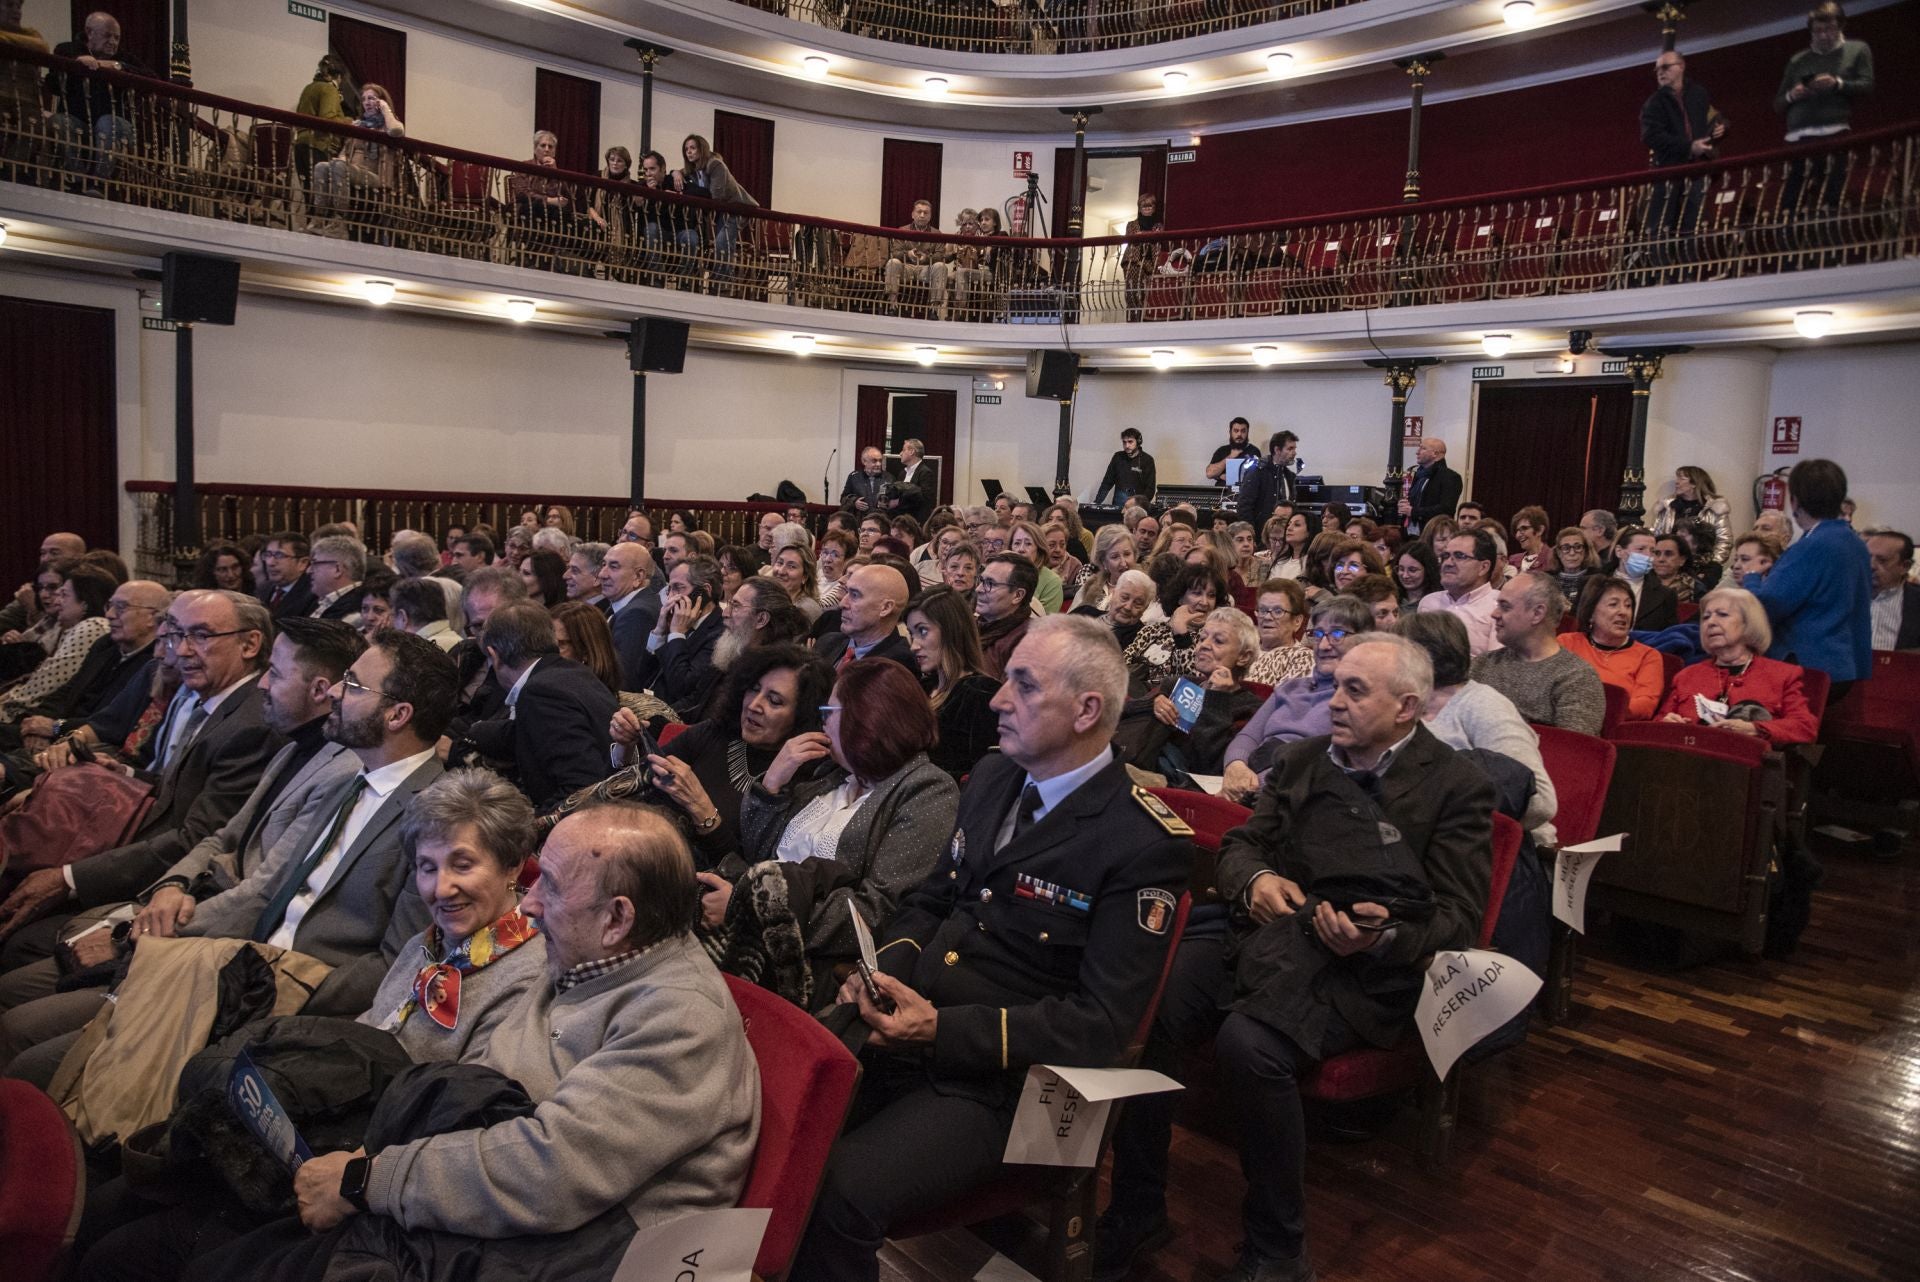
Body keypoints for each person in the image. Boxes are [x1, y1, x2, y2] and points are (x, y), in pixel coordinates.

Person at [791, 616, 1190, 1281]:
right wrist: (879, 973)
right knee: (773, 1133)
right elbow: (933, 900)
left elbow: (1100, 1026)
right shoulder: (998, 777)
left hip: (1008, 1080)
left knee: (840, 1193)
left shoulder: (1141, 842)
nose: (1000, 699)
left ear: (1087, 710)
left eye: (1024, 686)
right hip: (910, 1026)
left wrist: (939, 1029)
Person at [1099, 634, 1492, 1282]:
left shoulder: (1457, 786)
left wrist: (1383, 933)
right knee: (1156, 1001)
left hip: (1365, 967)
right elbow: (1241, 843)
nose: (1332, 702)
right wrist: (1254, 881)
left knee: (1249, 1044)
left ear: (1407, 708)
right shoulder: (1311, 758)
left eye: (1353, 691)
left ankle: (1279, 1249)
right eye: (1335, 685)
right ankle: (1138, 1205)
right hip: (1271, 933)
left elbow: (1459, 918)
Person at [285, 805, 759, 1249]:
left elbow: (550, 1172)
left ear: (616, 918)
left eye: (549, 885)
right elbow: (484, 1080)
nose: (529, 905)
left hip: (590, 1247)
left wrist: (370, 1180)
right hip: (506, 1204)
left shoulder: (679, 1017)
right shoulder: (587, 954)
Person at [0, 590, 282, 966]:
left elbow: (195, 839)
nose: (179, 651)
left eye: (199, 636)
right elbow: (176, 788)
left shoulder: (250, 725)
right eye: (175, 635)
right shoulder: (211, 700)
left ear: (249, 644)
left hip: (171, 880)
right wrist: (128, 773)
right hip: (138, 844)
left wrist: (67, 878)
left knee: (22, 934)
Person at [722, 657, 956, 998]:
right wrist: (772, 783)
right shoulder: (830, 778)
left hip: (817, 971)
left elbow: (879, 913)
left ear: (867, 721)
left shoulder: (926, 789)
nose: (823, 722)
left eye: (831, 712)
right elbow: (759, 856)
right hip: (761, 945)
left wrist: (756, 911)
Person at [1398, 611, 1560, 840]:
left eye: (1397, 654)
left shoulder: (1484, 705)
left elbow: (1540, 802)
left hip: (1496, 851)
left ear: (1425, 658)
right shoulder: (1404, 706)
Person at [461, 603, 616, 813]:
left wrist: (528, 829)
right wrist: (477, 732)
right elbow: (536, 734)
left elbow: (581, 789)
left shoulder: (539, 692)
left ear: (494, 655)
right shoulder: (574, 672)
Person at [1221, 593, 1373, 803]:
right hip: (1250, 780)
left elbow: (1325, 764)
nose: (1324, 644)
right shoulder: (1291, 687)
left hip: (1295, 798)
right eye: (1318, 634)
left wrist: (1255, 785)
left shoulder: (1361, 699)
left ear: (1363, 640)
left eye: (1337, 633)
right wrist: (1235, 766)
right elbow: (1248, 737)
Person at [1744, 458, 1873, 693]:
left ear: (1795, 501)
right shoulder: (1855, 543)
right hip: (1843, 662)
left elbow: (1766, 605)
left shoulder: (1812, 546)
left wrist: (1752, 577)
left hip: (1808, 662)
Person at [1658, 587, 1819, 745]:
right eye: (1706, 617)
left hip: (1744, 765)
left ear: (1748, 623)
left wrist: (1755, 729)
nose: (1711, 622)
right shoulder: (1687, 675)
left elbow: (1804, 727)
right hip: (1686, 761)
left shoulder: (1782, 675)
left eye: (1722, 615)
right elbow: (1658, 723)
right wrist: (1668, 723)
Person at [1117, 607, 1264, 778]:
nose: (1204, 646)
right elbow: (1120, 713)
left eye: (1218, 641)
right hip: (1134, 762)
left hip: (1175, 785)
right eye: (1202, 638)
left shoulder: (1250, 708)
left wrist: (1216, 699)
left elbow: (1207, 767)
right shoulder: (1179, 683)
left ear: (1243, 657)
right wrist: (1151, 704)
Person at [1472, 571, 1607, 734]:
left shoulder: (1576, 677)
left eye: (1505, 606)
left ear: (1537, 613)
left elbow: (1571, 752)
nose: (1495, 614)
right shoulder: (1482, 664)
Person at [1774, 2, 1876, 215]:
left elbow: (1867, 86)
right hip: (1797, 138)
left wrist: (1837, 84)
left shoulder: (1857, 50)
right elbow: (1778, 104)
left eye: (1828, 29)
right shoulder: (1798, 60)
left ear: (1840, 27)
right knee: (1791, 202)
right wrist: (1793, 94)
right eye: (1817, 31)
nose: (1823, 36)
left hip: (1834, 133)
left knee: (1831, 196)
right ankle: (1792, 243)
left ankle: (1830, 247)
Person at [48, 10, 154, 188]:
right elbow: (54, 83)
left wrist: (117, 66)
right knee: (59, 121)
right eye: (107, 36)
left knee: (106, 123)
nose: (113, 42)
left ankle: (98, 183)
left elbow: (152, 79)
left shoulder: (124, 58)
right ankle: (77, 181)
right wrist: (79, 63)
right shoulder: (68, 49)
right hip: (77, 121)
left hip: (115, 124)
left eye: (116, 38)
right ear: (89, 33)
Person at [905, 587, 999, 780]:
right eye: (912, 633)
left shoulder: (982, 692)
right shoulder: (920, 686)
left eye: (923, 631)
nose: (914, 645)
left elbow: (983, 775)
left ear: (951, 630)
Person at [0, 564, 113, 723]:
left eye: (64, 595)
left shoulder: (91, 627)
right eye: (40, 588)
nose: (56, 601)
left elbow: (44, 685)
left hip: (47, 718)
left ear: (85, 603)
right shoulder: (69, 626)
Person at [1640, 49, 1727, 255]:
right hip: (1669, 170)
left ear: (1681, 66)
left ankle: (1689, 270)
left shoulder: (1698, 93)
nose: (1660, 72)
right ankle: (1663, 272)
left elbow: (1712, 117)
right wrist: (1688, 147)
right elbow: (1650, 136)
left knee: (1693, 221)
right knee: (1663, 222)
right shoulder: (1654, 103)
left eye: (1665, 67)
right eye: (1657, 69)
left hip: (1697, 169)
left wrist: (1721, 126)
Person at [1561, 577, 1666, 720]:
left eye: (1628, 606)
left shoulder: (1648, 656)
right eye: (1613, 604)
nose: (1623, 612)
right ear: (1591, 614)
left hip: (1616, 729)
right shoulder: (1567, 642)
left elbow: (1645, 705)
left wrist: (1594, 710)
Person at [308, 83, 404, 237]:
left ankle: (340, 223)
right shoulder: (360, 125)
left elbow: (397, 130)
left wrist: (385, 108)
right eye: (364, 99)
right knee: (321, 166)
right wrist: (338, 161)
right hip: (351, 170)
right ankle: (318, 219)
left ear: (381, 101)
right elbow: (345, 152)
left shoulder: (388, 124)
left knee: (338, 166)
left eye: (372, 98)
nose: (367, 102)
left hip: (375, 176)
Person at [1417, 528, 1503, 658]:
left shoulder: (1499, 606)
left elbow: (1495, 667)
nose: (1448, 563)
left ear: (1483, 567)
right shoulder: (1428, 603)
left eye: (1459, 556)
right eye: (1445, 556)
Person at [816, 564, 914, 672]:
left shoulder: (895, 666)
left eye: (855, 595)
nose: (843, 603)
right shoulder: (828, 642)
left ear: (885, 608)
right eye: (847, 592)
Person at [598, 540, 661, 692]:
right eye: (603, 564)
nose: (602, 574)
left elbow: (624, 679)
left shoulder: (638, 614)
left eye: (614, 566)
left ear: (638, 576)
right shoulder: (625, 604)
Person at [884, 198, 952, 318]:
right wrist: (908, 254)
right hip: (906, 268)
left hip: (926, 269)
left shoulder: (937, 234)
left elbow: (940, 255)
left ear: (930, 216)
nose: (922, 215)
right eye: (919, 212)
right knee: (892, 262)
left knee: (941, 266)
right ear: (912, 214)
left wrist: (926, 258)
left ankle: (933, 309)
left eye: (926, 213)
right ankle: (892, 305)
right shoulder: (902, 230)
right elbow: (895, 253)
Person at [1651, 467, 1732, 564]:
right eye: (1677, 478)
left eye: (1682, 479)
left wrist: (1712, 565)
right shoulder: (1668, 506)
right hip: (1670, 564)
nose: (1677, 482)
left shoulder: (1714, 508)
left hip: (1702, 566)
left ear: (1694, 483)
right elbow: (1655, 536)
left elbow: (1724, 541)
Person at [974, 554, 1037, 680]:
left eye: (990, 583)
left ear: (1017, 595)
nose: (978, 589)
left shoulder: (1027, 641)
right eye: (981, 580)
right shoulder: (971, 626)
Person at [291, 53, 351, 181]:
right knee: (319, 193)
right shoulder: (329, 89)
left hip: (300, 144)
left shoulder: (309, 88)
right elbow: (328, 119)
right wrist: (350, 122)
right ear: (339, 76)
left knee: (308, 192)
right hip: (318, 145)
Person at [1247, 579, 1313, 686]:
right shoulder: (1242, 650)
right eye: (1263, 610)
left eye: (1278, 611)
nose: (1267, 617)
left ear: (1297, 621)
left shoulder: (1302, 658)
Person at [1611, 526, 1679, 630]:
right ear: (1619, 551)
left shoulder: (1665, 595)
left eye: (1652, 551)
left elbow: (1668, 635)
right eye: (1640, 549)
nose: (1648, 556)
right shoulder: (1593, 584)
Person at [1865, 529, 1920, 651]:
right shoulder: (1842, 595)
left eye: (1882, 560)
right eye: (1867, 557)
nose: (1871, 565)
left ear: (1905, 566)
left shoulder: (1916, 602)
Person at [1237, 431, 1301, 534]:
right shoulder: (1257, 471)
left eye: (1294, 449)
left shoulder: (1290, 476)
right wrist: (1251, 535)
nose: (1294, 453)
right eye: (1290, 449)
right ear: (1277, 450)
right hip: (1261, 534)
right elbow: (1244, 506)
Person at [1398, 437, 1461, 536]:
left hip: (1434, 533)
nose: (1417, 452)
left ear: (1435, 454)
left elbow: (1446, 509)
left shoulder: (1451, 477)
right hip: (1410, 533)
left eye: (1423, 448)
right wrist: (1405, 506)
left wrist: (1414, 511)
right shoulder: (1419, 474)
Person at [1095, 428, 1157, 506]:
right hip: (1118, 506)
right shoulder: (1118, 457)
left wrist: (1140, 506)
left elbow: (1150, 488)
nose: (1127, 446)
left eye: (1130, 442)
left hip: (1137, 506)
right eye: (1124, 442)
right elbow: (1107, 483)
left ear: (1138, 442)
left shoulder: (1147, 460)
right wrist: (1096, 502)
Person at [887, 437, 938, 523]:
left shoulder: (925, 473)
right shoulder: (902, 473)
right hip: (901, 521)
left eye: (903, 450)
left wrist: (898, 502)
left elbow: (926, 500)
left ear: (912, 451)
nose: (900, 454)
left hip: (916, 522)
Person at [1205, 416, 1259, 485]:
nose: (1239, 434)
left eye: (1243, 431)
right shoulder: (1222, 450)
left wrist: (1222, 476)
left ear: (1247, 433)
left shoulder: (1254, 451)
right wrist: (1230, 456)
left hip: (1245, 494)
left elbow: (1257, 477)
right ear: (1230, 432)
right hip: (1223, 493)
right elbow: (1210, 474)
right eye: (1236, 431)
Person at [1650, 531, 1698, 605]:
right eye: (1657, 553)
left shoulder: (1696, 588)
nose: (1661, 559)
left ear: (1682, 560)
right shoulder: (1640, 583)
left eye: (1668, 554)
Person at [841, 446, 890, 515]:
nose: (878, 464)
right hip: (860, 520)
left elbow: (895, 501)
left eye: (880, 461)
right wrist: (854, 502)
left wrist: (888, 503)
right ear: (864, 461)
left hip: (881, 519)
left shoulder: (889, 477)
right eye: (874, 461)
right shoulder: (854, 477)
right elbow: (843, 498)